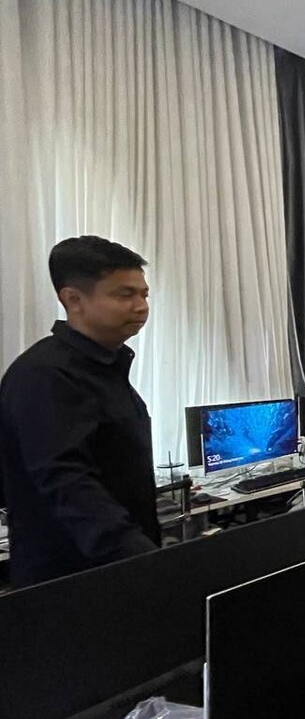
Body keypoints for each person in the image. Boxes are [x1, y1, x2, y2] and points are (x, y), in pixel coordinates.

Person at [0, 236, 160, 586]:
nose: (141, 307)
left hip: (119, 571)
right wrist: (146, 561)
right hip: (72, 583)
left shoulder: (107, 368)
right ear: (73, 299)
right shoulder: (44, 375)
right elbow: (67, 485)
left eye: (144, 295)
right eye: (125, 295)